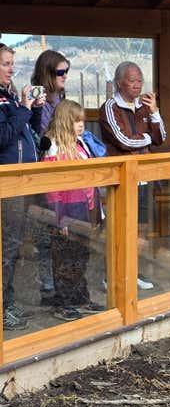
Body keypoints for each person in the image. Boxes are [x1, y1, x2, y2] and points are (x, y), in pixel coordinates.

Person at [99, 61, 166, 289]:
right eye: (132, 81)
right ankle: (111, 276)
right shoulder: (110, 107)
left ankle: (132, 273)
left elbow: (161, 137)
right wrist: (147, 139)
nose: (137, 85)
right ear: (119, 83)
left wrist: (154, 112)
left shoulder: (145, 106)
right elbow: (123, 141)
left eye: (140, 80)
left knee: (141, 229)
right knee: (120, 228)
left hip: (143, 178)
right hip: (121, 179)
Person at [41, 100, 104, 321]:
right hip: (65, 211)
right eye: (76, 121)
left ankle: (80, 298)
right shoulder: (53, 146)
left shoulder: (81, 144)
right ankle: (63, 303)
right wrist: (60, 219)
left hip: (84, 209)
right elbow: (51, 188)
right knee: (64, 259)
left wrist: (95, 212)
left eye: (82, 121)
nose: (81, 125)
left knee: (81, 256)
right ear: (65, 121)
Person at [0, 43, 45, 330]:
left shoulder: (10, 97)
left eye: (11, 64)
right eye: (5, 64)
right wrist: (24, 109)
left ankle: (7, 300)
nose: (11, 69)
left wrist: (34, 111)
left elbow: (31, 134)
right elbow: (3, 137)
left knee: (13, 245)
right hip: (6, 182)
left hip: (22, 180)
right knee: (7, 246)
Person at [31, 49, 71, 305]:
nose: (65, 75)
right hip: (45, 173)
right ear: (48, 73)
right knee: (46, 232)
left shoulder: (62, 100)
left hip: (65, 173)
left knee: (65, 231)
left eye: (67, 71)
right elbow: (42, 136)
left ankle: (64, 284)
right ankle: (48, 286)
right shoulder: (40, 103)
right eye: (60, 72)